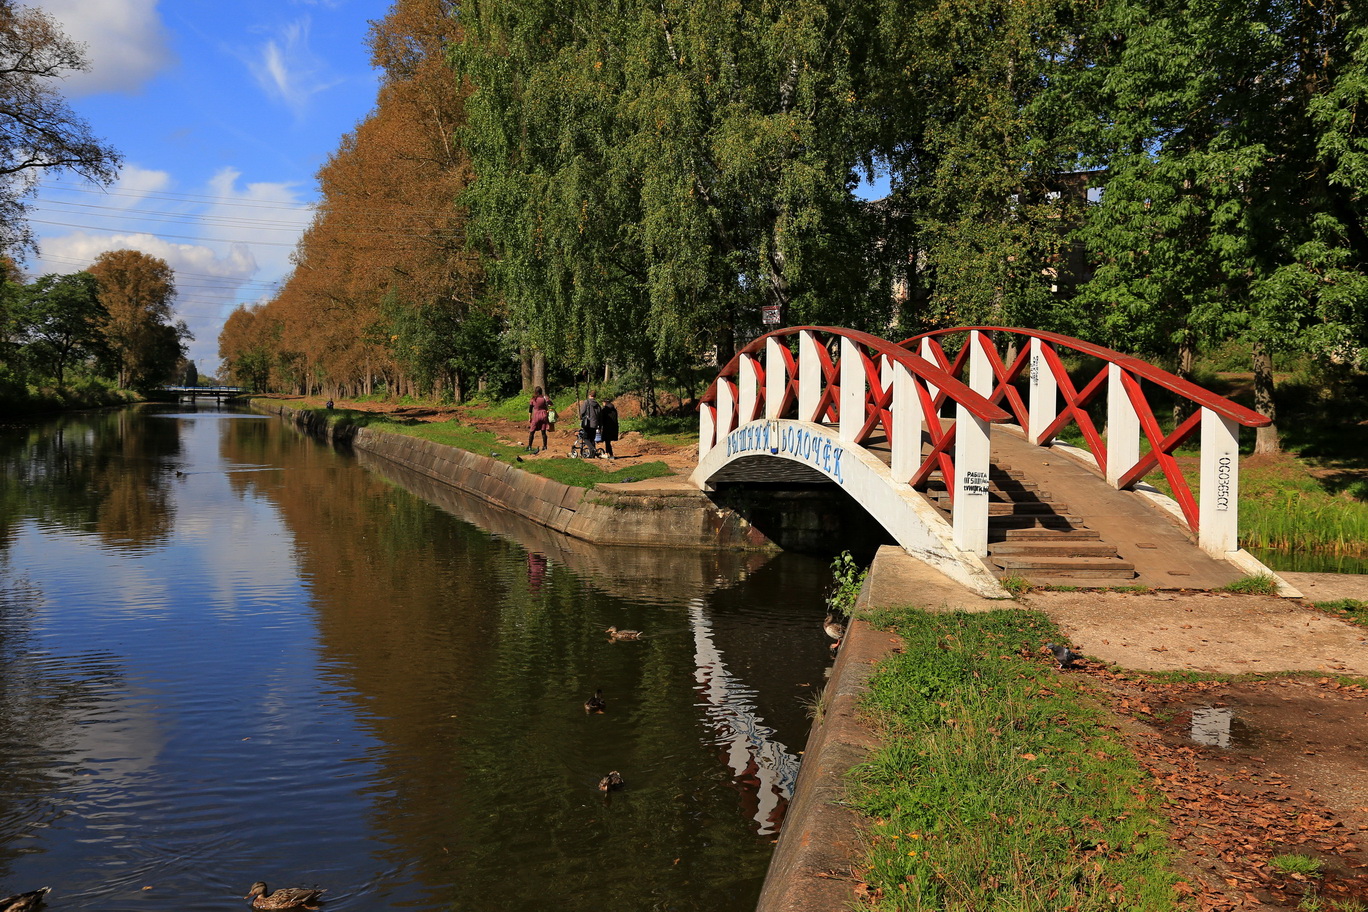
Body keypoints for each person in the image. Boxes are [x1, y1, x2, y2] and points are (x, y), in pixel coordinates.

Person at [527, 386, 553, 452]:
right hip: (544, 415)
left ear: (535, 392)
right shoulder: (544, 398)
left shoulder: (533, 399)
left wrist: (529, 418)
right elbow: (551, 404)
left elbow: (530, 410)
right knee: (543, 432)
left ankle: (529, 446)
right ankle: (544, 446)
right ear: (541, 391)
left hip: (536, 416)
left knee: (532, 432)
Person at [579, 389, 602, 457]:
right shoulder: (597, 404)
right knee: (592, 439)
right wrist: (599, 425)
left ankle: (592, 449)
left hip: (588, 424)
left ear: (589, 395)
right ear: (595, 396)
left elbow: (582, 412)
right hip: (595, 424)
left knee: (585, 437)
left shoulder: (587, 402)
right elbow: (600, 415)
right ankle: (592, 455)